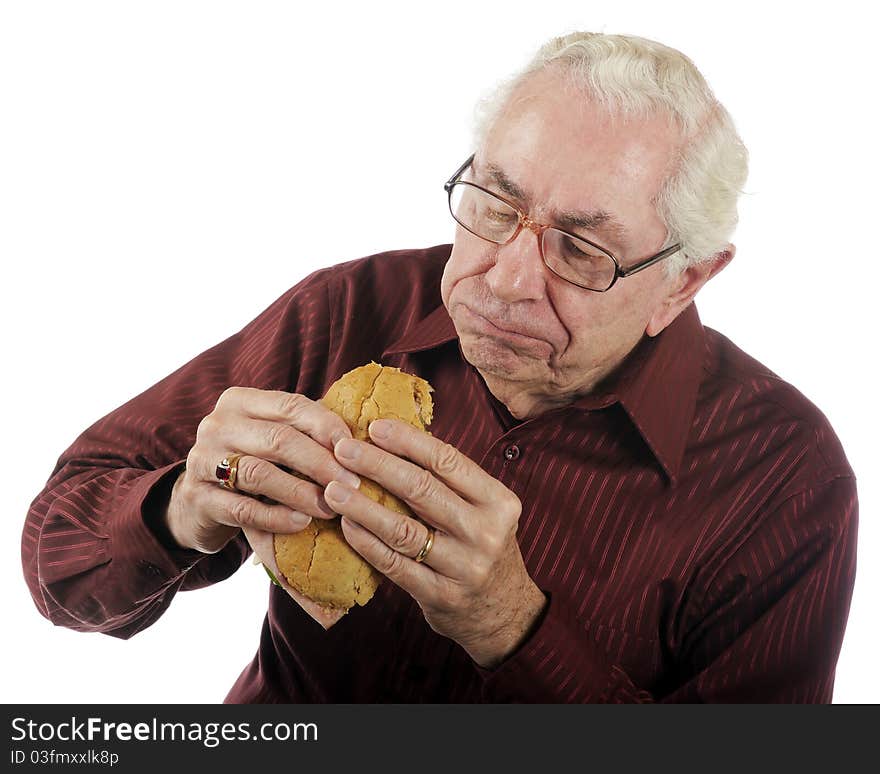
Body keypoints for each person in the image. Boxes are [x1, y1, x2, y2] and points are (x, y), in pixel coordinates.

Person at [22, 31, 857, 703]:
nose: (505, 277)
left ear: (684, 280)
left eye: (581, 248)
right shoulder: (352, 310)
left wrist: (514, 629)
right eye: (495, 204)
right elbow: (54, 557)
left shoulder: (785, 478)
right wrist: (177, 509)